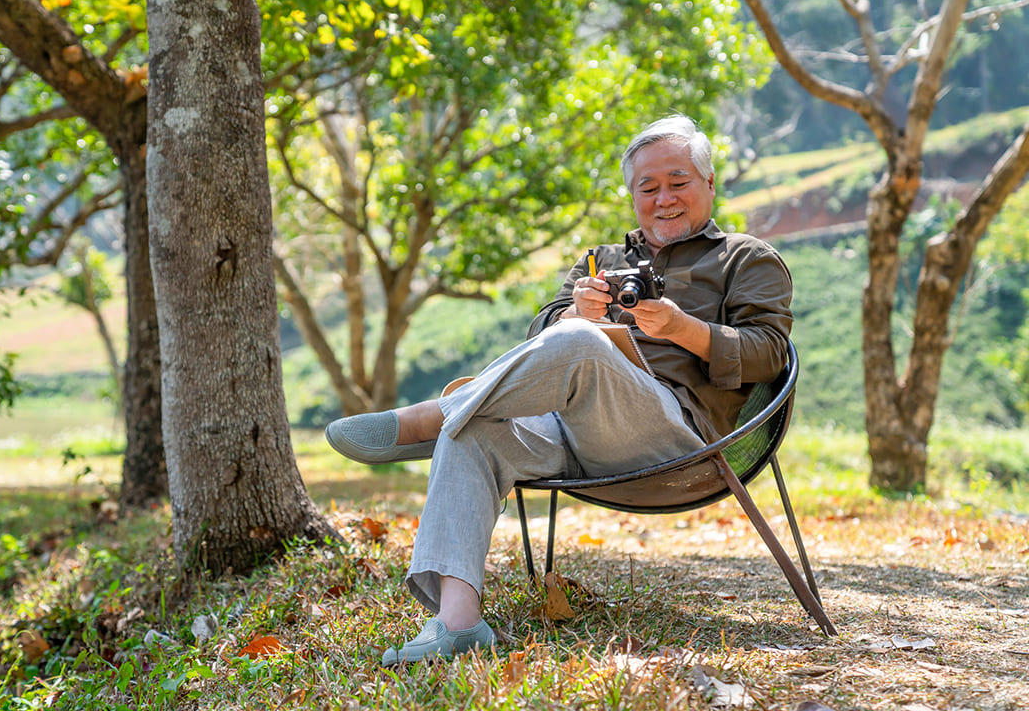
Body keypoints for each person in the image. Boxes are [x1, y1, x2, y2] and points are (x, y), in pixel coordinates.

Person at [325, 114, 793, 666]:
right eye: (648, 187)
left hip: (679, 441)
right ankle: (457, 622)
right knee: (477, 427)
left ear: (709, 184)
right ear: (632, 196)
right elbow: (539, 344)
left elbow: (770, 352)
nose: (664, 198)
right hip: (574, 432)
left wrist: (679, 329)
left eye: (678, 181)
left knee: (572, 347)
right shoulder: (602, 261)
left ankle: (432, 415)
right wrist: (575, 310)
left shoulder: (746, 257)